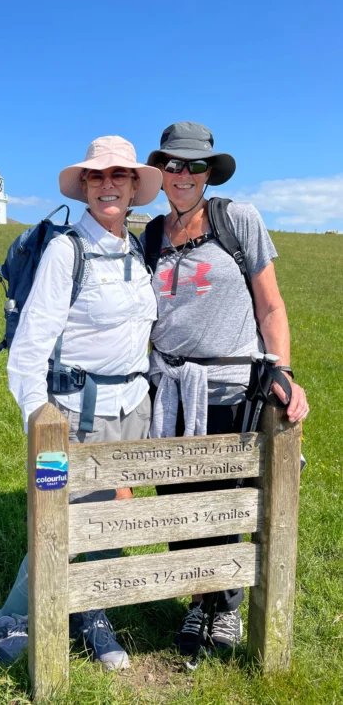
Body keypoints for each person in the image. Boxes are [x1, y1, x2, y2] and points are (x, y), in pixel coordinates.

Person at [0, 136, 163, 670]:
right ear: (85, 186)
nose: (108, 185)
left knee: (111, 516)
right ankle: (12, 620)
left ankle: (93, 613)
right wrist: (42, 425)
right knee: (58, 517)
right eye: (97, 177)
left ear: (134, 188)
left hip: (132, 410)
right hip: (71, 416)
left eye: (120, 176)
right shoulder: (67, 250)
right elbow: (29, 349)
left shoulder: (135, 250)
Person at [142, 121, 309, 656]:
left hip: (231, 390)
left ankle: (227, 606)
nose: (183, 174)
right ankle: (198, 601)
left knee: (225, 506)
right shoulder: (148, 235)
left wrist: (280, 370)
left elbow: (271, 304)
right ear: (161, 172)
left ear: (209, 173)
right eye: (173, 164)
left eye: (194, 166)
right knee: (178, 502)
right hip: (167, 391)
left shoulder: (237, 219)